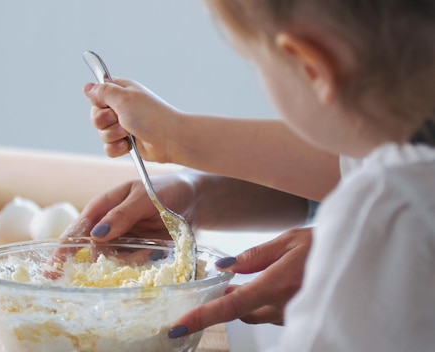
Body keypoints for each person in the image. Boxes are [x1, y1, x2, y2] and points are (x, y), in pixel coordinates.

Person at [67, 0, 435, 350]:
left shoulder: (388, 216)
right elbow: (368, 157)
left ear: (310, 65)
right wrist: (185, 165)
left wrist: (358, 263)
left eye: (256, 62)